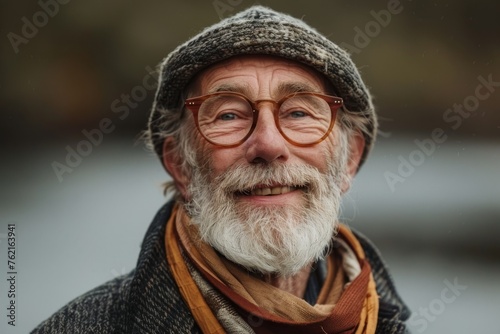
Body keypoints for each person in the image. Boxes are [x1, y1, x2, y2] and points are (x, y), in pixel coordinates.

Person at [32, 6, 410, 334]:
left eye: (298, 112)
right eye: (228, 114)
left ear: (348, 160)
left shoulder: (386, 321)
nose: (269, 145)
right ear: (180, 164)